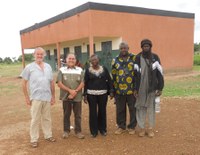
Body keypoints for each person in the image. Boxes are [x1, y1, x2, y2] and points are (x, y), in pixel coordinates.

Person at [21, 47, 56, 148]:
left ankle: (48, 135)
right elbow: (23, 83)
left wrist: (53, 96)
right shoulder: (29, 67)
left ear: (44, 55)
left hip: (47, 97)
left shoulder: (48, 67)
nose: (39, 56)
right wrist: (27, 97)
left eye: (41, 54)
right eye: (38, 54)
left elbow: (51, 82)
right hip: (35, 97)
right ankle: (34, 139)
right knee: (35, 119)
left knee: (47, 118)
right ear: (34, 55)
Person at [134, 39, 164, 138]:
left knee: (151, 108)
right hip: (141, 88)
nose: (146, 48)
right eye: (144, 46)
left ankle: (150, 129)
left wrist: (160, 87)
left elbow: (160, 73)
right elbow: (135, 74)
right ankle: (142, 128)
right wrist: (135, 89)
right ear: (141, 47)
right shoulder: (138, 58)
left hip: (152, 87)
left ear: (150, 47)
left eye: (147, 46)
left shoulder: (155, 57)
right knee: (141, 108)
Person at [83, 54, 114, 137]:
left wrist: (111, 91)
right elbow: (85, 83)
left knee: (102, 111)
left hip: (103, 94)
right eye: (92, 60)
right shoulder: (88, 70)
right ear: (90, 62)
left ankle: (102, 129)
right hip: (91, 94)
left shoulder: (104, 69)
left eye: (95, 59)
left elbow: (110, 80)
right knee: (92, 112)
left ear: (98, 60)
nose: (94, 61)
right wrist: (85, 94)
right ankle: (94, 131)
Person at [57, 53, 85, 139]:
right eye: (69, 58)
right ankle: (66, 131)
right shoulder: (61, 70)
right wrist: (70, 91)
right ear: (66, 60)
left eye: (73, 59)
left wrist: (75, 92)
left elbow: (83, 82)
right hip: (66, 96)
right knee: (66, 114)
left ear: (75, 60)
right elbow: (59, 83)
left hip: (77, 96)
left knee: (78, 115)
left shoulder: (80, 70)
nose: (71, 60)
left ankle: (78, 131)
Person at [111, 41, 137, 135]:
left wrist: (136, 88)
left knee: (133, 109)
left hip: (132, 90)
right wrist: (113, 90)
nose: (123, 50)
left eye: (125, 48)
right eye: (121, 48)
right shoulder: (115, 60)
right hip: (119, 90)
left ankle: (132, 127)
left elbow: (138, 74)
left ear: (128, 48)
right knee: (120, 109)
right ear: (119, 49)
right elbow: (113, 75)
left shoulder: (134, 58)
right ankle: (121, 126)